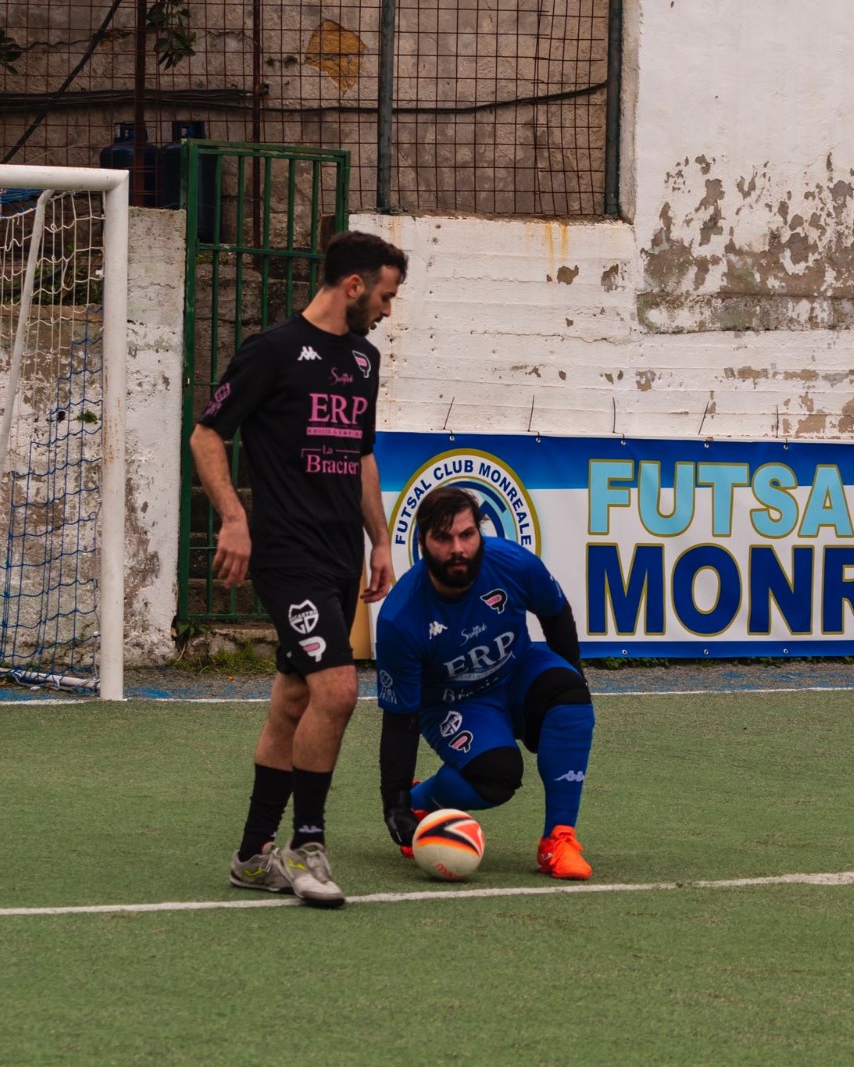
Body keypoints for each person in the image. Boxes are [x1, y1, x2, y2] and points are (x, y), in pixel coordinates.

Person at [189, 230, 408, 908]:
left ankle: (254, 854)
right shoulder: (273, 351)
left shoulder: (365, 362)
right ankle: (307, 844)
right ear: (353, 286)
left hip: (341, 553)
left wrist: (379, 540)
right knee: (337, 690)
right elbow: (207, 433)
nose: (388, 309)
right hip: (288, 555)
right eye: (386, 294)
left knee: (293, 698)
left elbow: (363, 455)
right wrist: (233, 516)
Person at [374, 485, 597, 880]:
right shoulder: (399, 619)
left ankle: (557, 841)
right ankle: (425, 797)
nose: (457, 548)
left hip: (518, 669)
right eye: (443, 538)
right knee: (497, 778)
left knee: (571, 700)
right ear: (422, 542)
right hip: (452, 702)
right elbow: (400, 720)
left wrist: (571, 682)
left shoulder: (512, 562)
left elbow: (556, 613)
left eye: (467, 534)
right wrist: (397, 806)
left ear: (480, 532)